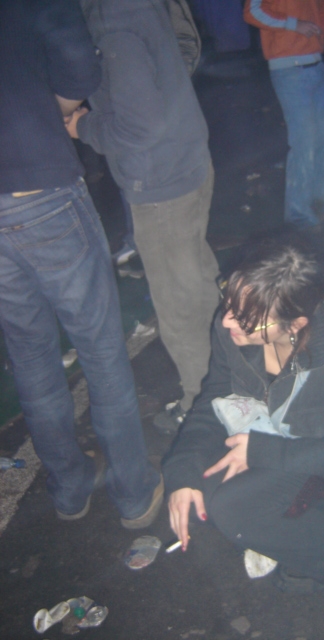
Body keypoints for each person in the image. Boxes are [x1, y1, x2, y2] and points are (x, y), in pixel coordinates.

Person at [163, 234, 324, 634]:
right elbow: (215, 397)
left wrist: (262, 452)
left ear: (296, 324)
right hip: (273, 437)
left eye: (244, 318)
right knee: (203, 494)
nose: (227, 321)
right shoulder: (235, 325)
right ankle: (298, 530)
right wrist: (183, 471)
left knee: (235, 511)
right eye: (229, 304)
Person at [0, 0, 162, 529]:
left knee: (30, 355)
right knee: (100, 348)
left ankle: (69, 489)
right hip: (39, 183)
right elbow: (77, 64)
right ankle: (133, 493)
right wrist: (50, 110)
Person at [66, 0, 220, 421]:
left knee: (179, 306)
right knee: (198, 279)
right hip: (189, 158)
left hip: (160, 182)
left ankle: (203, 405)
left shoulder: (111, 18)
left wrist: (85, 127)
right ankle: (231, 375)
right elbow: (186, 48)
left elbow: (141, 127)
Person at [243, 0, 324, 230]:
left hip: (317, 66)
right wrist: (293, 24)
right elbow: (252, 11)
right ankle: (298, 216)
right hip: (289, 70)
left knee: (323, 142)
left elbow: (320, 27)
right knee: (304, 145)